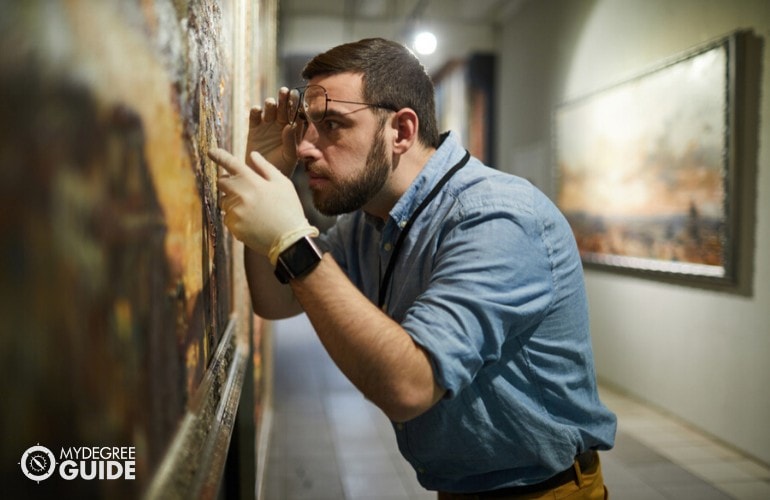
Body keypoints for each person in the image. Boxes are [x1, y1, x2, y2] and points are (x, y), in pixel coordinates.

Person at [209, 37, 616, 499]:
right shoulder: (372, 219)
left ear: (401, 131)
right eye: (305, 125)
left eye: (332, 124)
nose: (303, 146)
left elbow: (409, 386)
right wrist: (270, 176)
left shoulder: (498, 216)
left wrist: (291, 241)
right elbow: (276, 299)